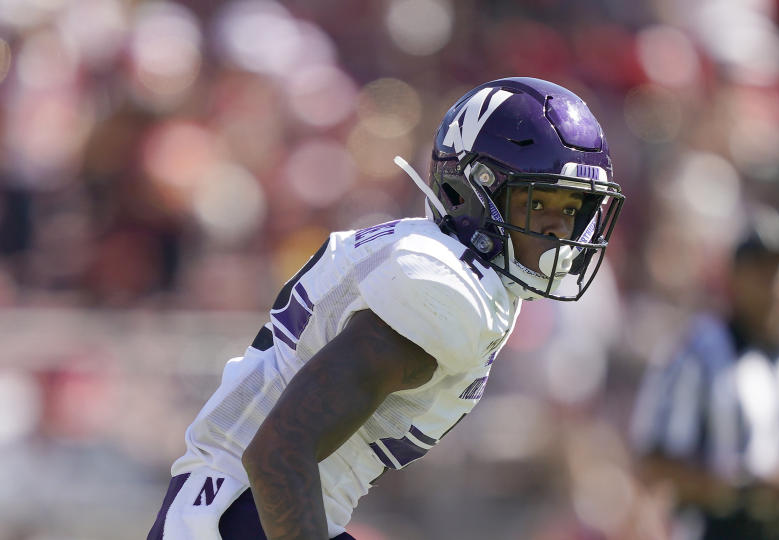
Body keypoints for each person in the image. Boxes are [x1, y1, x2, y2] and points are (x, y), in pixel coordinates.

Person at [147, 77, 625, 540]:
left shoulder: (449, 264)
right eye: (538, 203)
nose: (560, 229)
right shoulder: (444, 290)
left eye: (573, 209)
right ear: (474, 191)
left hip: (239, 508)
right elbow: (278, 454)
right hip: (243, 517)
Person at [629, 211, 779, 540]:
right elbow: (653, 462)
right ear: (734, 278)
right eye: (761, 270)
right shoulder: (695, 353)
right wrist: (740, 490)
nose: (775, 282)